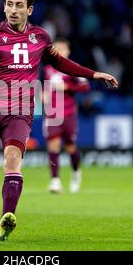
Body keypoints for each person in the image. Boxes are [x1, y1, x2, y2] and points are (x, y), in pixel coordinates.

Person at [0, 0, 119, 242]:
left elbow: (61, 62)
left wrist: (94, 74)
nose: (13, 10)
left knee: (12, 162)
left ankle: (6, 220)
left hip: (20, 112)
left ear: (29, 10)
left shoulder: (41, 37)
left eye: (19, 5)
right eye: (9, 4)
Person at [42, 38, 90, 194]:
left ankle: (76, 172)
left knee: (70, 147)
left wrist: (68, 86)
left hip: (68, 112)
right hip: (52, 113)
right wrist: (42, 94)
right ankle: (55, 180)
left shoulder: (73, 68)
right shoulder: (47, 69)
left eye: (63, 48)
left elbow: (85, 87)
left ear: (68, 51)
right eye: (58, 48)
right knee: (53, 145)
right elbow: (42, 86)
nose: (60, 51)